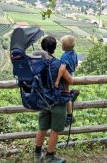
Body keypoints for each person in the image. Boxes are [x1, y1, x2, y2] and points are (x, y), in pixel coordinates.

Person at [34, 35, 73, 163]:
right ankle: (50, 156)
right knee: (55, 130)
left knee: (42, 128)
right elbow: (70, 80)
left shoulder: (37, 62)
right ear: (55, 48)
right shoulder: (58, 63)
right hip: (57, 101)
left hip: (43, 100)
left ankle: (37, 155)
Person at [54, 35, 79, 126]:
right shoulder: (74, 53)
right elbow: (76, 64)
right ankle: (71, 95)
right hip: (71, 74)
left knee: (65, 95)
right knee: (66, 92)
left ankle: (69, 116)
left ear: (64, 46)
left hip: (65, 77)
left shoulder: (65, 56)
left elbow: (62, 69)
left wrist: (57, 80)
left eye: (62, 44)